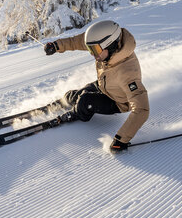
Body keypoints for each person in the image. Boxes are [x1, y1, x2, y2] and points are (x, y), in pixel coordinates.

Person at [44, 20, 149, 153]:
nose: (92, 54)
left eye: (94, 50)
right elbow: (79, 41)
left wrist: (121, 140)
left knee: (85, 101)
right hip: (106, 85)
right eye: (90, 49)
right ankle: (68, 101)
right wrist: (57, 45)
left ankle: (76, 114)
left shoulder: (127, 72)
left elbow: (142, 109)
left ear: (110, 46)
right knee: (75, 95)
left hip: (118, 101)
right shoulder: (105, 49)